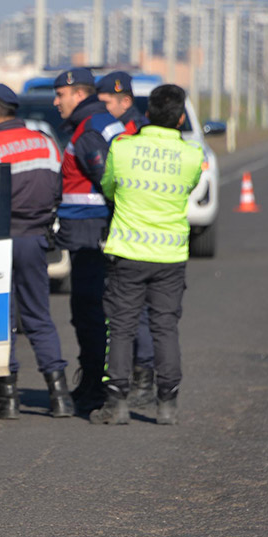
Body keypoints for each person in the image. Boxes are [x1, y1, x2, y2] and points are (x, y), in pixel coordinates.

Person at [89, 83, 203, 426]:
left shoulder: (122, 148)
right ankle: (167, 404)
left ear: (147, 114)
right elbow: (189, 187)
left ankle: (117, 403)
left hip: (128, 252)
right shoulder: (192, 155)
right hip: (170, 255)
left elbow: (108, 186)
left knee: (121, 328)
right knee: (165, 328)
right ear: (181, 117)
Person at [0, 82, 72, 420]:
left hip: (0, 243)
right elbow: (58, 191)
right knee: (39, 316)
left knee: (4, 320)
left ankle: (8, 398)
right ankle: (59, 396)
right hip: (37, 240)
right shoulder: (46, 144)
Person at [52, 67, 125, 414]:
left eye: (60, 95)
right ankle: (98, 381)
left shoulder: (89, 131)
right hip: (92, 229)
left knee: (89, 310)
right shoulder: (102, 121)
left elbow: (107, 182)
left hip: (90, 232)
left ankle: (95, 386)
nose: (56, 101)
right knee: (97, 309)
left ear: (78, 95)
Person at [97, 70, 157, 408]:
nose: (102, 109)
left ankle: (141, 379)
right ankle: (140, 379)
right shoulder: (120, 129)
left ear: (125, 101)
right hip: (141, 232)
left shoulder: (131, 134)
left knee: (135, 313)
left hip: (133, 232)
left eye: (106, 103)